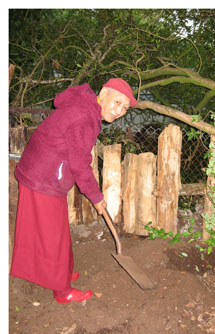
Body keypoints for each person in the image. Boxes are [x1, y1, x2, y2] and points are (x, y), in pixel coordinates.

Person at [10, 78, 137, 304]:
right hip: (42, 178)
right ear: (103, 93)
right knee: (52, 237)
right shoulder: (84, 116)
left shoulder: (87, 110)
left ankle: (62, 273)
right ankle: (62, 291)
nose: (119, 110)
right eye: (117, 102)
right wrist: (96, 197)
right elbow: (80, 164)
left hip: (46, 176)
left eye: (124, 108)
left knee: (57, 232)